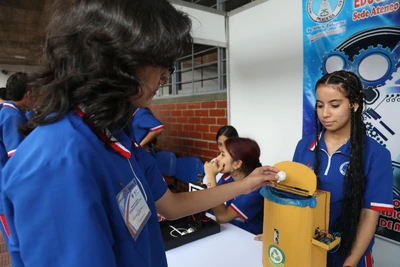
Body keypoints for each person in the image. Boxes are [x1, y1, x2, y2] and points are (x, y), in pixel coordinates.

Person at [1, 1, 280, 267]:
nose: (164, 77)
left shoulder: (116, 136)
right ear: (119, 59)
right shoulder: (57, 166)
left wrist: (246, 185)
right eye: (160, 64)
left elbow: (170, 205)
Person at [292, 70, 393, 267]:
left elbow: (368, 215)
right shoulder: (304, 146)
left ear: (354, 104)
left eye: (335, 105)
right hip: (307, 248)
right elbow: (295, 199)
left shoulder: (376, 154)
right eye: (320, 105)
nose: (325, 113)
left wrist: (351, 262)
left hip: (350, 254)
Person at [204, 137, 265, 235]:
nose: (217, 159)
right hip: (229, 229)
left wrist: (211, 177)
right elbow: (213, 201)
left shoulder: (256, 188)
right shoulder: (228, 177)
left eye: (222, 154)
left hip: (247, 236)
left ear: (237, 164)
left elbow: (222, 217)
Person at [0, 72, 30, 247]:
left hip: (6, 189)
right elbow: (17, 160)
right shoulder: (12, 116)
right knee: (18, 243)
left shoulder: (8, 112)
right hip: (6, 192)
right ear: (28, 94)